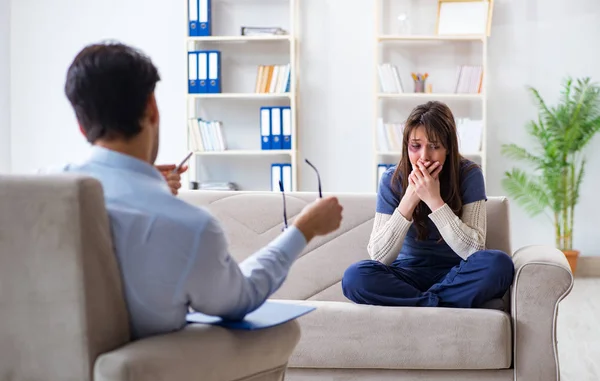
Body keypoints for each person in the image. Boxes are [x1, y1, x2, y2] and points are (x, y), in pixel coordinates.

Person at [60, 41, 343, 340]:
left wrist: (145, 185)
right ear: (151, 109)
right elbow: (241, 298)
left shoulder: (35, 197)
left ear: (81, 124)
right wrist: (304, 228)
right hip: (152, 378)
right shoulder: (187, 225)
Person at [342, 101, 514, 308]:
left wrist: (435, 201)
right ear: (407, 146)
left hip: (454, 273)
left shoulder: (469, 175)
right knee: (355, 277)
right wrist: (410, 199)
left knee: (499, 264)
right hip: (405, 275)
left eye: (434, 146)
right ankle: (437, 305)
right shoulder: (391, 179)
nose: (424, 156)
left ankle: (419, 304)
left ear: (448, 148)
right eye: (416, 146)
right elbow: (378, 256)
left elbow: (475, 250)